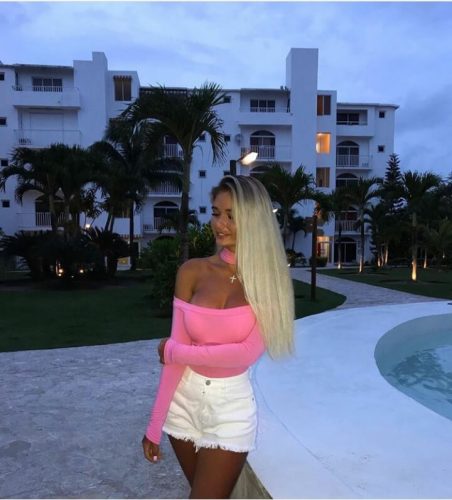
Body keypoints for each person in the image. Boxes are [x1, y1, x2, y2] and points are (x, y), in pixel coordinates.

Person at [142, 175, 294, 498]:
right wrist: (154, 425)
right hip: (183, 403)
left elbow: (244, 353)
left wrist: (174, 351)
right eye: (215, 213)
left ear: (253, 221)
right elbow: (174, 359)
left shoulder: (268, 282)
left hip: (231, 410)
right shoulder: (192, 272)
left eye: (231, 216)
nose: (219, 224)